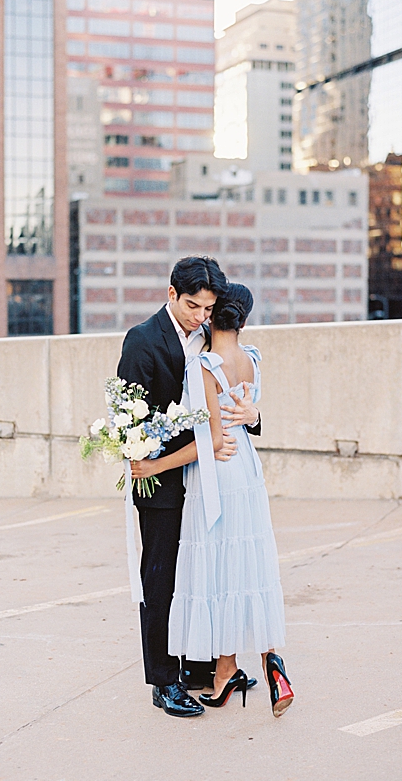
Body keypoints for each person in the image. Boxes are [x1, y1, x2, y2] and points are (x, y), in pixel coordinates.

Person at [131, 283, 294, 717]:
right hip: (247, 471)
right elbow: (241, 416)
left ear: (215, 313)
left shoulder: (203, 364)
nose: (200, 314)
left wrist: (154, 466)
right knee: (244, 564)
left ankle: (222, 671)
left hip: (214, 473)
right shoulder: (252, 358)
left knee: (215, 571)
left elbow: (212, 438)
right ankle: (258, 657)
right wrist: (252, 415)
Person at [117, 256, 261, 718]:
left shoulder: (210, 338)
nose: (201, 317)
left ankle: (200, 667)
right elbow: (129, 418)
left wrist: (253, 416)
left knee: (203, 572)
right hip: (162, 480)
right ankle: (163, 680)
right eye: (194, 307)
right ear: (171, 294)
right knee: (160, 580)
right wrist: (143, 459)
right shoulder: (142, 341)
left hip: (207, 479)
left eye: (208, 309)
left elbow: (234, 399)